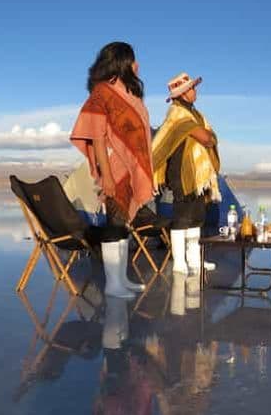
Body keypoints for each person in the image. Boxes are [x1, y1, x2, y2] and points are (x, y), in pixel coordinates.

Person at [70, 42, 155, 297]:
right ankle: (113, 284)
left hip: (131, 168)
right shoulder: (102, 93)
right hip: (114, 168)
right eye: (133, 60)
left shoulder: (129, 93)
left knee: (123, 225)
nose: (137, 65)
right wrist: (106, 177)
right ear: (121, 62)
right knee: (114, 224)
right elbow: (96, 137)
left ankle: (122, 279)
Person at [152, 72, 221, 274]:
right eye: (191, 88)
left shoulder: (195, 114)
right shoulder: (178, 114)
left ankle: (194, 260)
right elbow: (207, 138)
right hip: (182, 171)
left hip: (198, 173)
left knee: (197, 216)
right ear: (182, 94)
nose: (194, 91)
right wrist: (208, 137)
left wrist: (209, 137)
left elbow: (211, 137)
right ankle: (180, 262)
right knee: (182, 216)